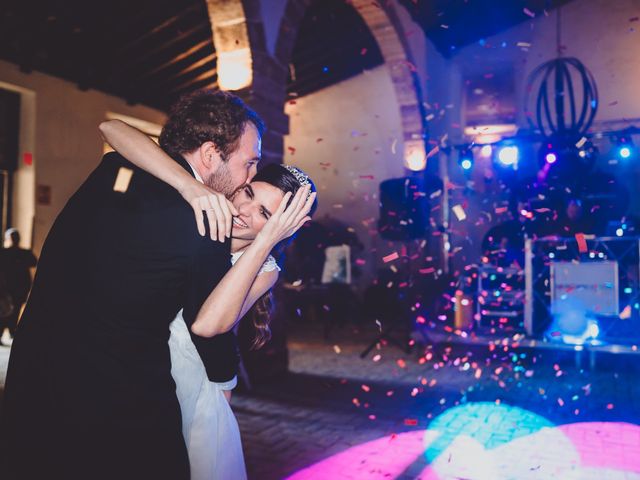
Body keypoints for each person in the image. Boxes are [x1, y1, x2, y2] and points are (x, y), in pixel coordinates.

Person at [0, 90, 274, 480]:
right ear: (212, 154)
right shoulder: (208, 222)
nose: (250, 175)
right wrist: (224, 383)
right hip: (118, 401)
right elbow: (208, 328)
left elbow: (115, 134)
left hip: (34, 377)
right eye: (249, 163)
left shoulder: (112, 171)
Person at [99, 119, 317, 479]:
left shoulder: (266, 269)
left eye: (265, 214)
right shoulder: (203, 209)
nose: (245, 211)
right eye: (248, 193)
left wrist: (267, 242)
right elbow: (111, 129)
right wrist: (187, 185)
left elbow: (207, 324)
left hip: (190, 386)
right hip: (132, 369)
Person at [0, 229, 37, 343]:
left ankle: (9, 331)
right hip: (13, 287)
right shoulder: (22, 253)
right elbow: (33, 262)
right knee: (9, 310)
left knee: (7, 311)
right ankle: (10, 331)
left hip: (13, 287)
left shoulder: (6, 253)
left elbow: (33, 262)